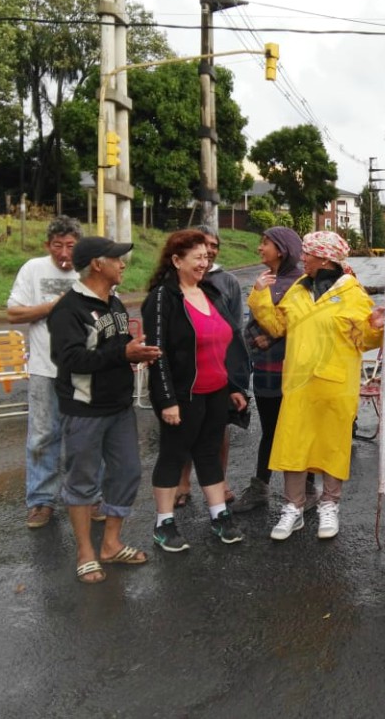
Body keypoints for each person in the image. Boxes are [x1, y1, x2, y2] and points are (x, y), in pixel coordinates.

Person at [248, 231, 385, 541]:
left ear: (325, 258)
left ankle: (329, 505)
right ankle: (293, 508)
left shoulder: (353, 294)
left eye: (308, 253)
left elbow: (363, 340)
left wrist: (375, 328)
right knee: (294, 446)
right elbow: (276, 326)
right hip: (298, 385)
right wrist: (259, 296)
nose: (302, 258)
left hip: (335, 386)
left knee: (332, 447)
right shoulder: (298, 290)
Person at [48, 237, 161, 583]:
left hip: (119, 407)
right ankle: (85, 552)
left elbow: (118, 348)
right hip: (84, 409)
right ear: (98, 264)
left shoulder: (114, 303)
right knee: (82, 481)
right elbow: (68, 360)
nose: (123, 264)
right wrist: (123, 355)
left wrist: (136, 353)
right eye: (117, 258)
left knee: (127, 473)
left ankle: (111, 544)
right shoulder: (69, 309)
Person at [142, 230, 250, 552]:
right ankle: (164, 523)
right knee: (173, 455)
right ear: (176, 260)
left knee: (208, 452)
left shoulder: (209, 293)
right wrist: (166, 401)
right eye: (197, 257)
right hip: (183, 394)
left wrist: (232, 386)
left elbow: (220, 345)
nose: (204, 263)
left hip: (215, 391)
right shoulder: (162, 298)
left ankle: (219, 516)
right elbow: (155, 352)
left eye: (206, 256)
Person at [6, 216, 98, 529]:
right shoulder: (33, 269)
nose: (63, 252)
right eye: (57, 245)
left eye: (70, 246)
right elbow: (13, 312)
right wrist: (53, 307)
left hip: (84, 369)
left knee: (86, 436)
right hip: (45, 370)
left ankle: (89, 496)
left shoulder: (90, 270)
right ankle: (41, 501)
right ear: (48, 246)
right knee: (43, 436)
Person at [232, 226, 318, 513]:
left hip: (294, 372)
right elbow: (252, 325)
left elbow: (297, 326)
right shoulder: (266, 280)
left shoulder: (302, 283)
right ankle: (260, 488)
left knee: (299, 429)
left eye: (265, 243)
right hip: (266, 371)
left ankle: (307, 488)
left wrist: (269, 333)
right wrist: (261, 334)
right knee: (269, 431)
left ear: (280, 249)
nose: (259, 248)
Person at [174, 229, 242, 508]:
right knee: (185, 430)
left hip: (218, 370)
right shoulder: (175, 284)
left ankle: (220, 481)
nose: (210, 251)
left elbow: (234, 329)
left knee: (219, 430)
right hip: (187, 374)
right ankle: (182, 481)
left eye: (215, 246)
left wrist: (235, 379)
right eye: (204, 246)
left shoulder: (228, 282)